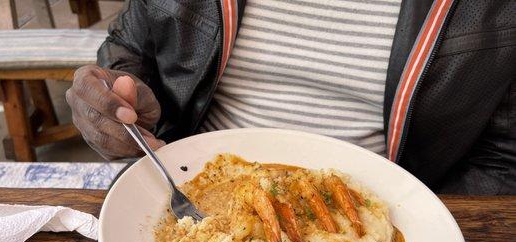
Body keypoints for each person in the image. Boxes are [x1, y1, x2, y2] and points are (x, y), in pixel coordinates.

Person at [66, 0, 515, 194]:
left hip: (373, 208)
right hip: (187, 192)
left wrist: (413, 221)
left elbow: (503, 160)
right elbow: (129, 49)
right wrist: (117, 95)